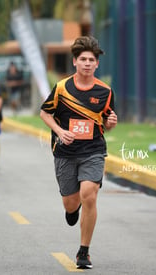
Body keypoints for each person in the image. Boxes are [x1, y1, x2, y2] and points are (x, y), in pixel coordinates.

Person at [40, 36, 117, 269]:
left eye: (91, 60)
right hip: (65, 152)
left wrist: (112, 122)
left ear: (97, 64)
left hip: (93, 150)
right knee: (71, 204)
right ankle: (73, 210)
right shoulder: (63, 88)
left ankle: (84, 252)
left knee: (89, 194)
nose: (86, 63)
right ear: (75, 62)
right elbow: (45, 113)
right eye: (82, 59)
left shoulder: (105, 91)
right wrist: (60, 131)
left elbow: (106, 122)